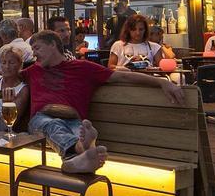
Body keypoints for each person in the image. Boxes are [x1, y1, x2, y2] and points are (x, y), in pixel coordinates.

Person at [19, 30, 184, 173]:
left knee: (77, 132)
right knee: (53, 125)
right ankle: (81, 149)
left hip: (74, 120)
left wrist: (162, 82)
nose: (34, 54)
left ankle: (77, 157)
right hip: (42, 119)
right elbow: (6, 73)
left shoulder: (83, 67)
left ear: (53, 45)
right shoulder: (33, 70)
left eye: (37, 48)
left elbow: (124, 76)